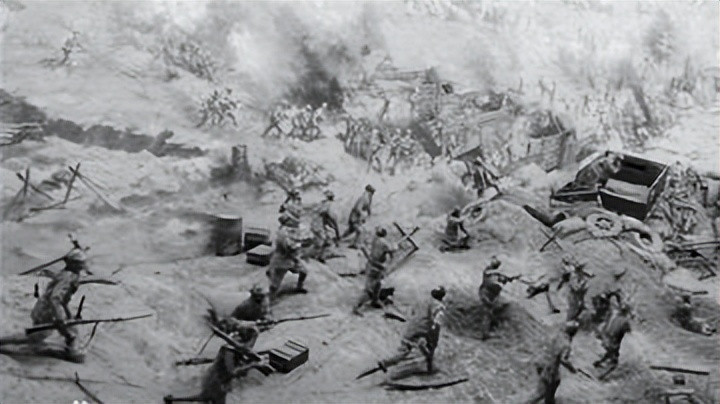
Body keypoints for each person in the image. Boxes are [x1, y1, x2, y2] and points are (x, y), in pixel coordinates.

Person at [164, 320, 273, 404]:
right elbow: (232, 371)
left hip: (219, 379)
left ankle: (172, 400)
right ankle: (172, 399)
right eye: (252, 339)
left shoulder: (236, 346)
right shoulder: (230, 350)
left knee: (205, 398)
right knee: (208, 397)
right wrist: (253, 365)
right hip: (216, 380)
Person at [378, 287, 446, 376]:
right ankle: (429, 369)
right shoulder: (439, 306)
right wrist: (433, 337)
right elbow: (437, 322)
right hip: (422, 331)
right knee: (429, 348)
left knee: (405, 349)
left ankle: (386, 362)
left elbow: (412, 312)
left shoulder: (423, 300)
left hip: (410, 327)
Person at [528, 321, 579, 404]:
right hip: (550, 371)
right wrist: (572, 369)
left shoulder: (557, 336)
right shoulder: (566, 345)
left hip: (542, 362)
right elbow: (564, 360)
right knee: (541, 393)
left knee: (549, 391)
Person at [353, 227, 396, 316]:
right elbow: (392, 250)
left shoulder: (375, 240)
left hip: (372, 264)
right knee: (370, 288)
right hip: (377, 266)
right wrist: (394, 247)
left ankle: (375, 300)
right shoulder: (385, 243)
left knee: (378, 284)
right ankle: (356, 307)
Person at [266, 211, 308, 298]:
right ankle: (267, 300)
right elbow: (289, 248)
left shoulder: (291, 230)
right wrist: (300, 245)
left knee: (304, 271)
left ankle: (299, 286)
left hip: (292, 258)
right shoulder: (283, 233)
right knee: (275, 285)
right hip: (282, 260)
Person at [593, 302, 632, 375]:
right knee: (615, 363)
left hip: (605, 339)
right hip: (613, 344)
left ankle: (598, 363)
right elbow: (629, 331)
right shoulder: (625, 322)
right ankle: (602, 376)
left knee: (611, 353)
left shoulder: (614, 317)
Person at [310, 190, 340, 263]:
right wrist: (336, 230)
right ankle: (320, 257)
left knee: (325, 241)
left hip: (316, 224)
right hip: (319, 225)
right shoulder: (329, 204)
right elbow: (332, 217)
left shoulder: (322, 203)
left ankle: (318, 256)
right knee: (328, 242)